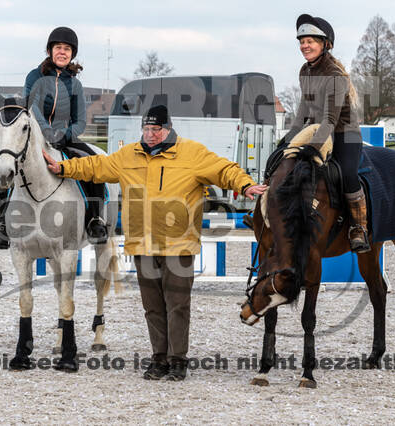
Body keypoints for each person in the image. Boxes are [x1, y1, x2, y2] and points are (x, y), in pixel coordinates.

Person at [43, 105, 267, 381]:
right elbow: (96, 167)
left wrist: (245, 185)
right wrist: (62, 167)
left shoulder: (192, 153)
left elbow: (224, 169)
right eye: (146, 129)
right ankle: (159, 359)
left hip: (179, 245)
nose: (150, 134)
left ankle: (178, 360)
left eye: (156, 129)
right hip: (142, 245)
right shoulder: (129, 155)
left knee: (177, 305)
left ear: (168, 128)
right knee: (152, 307)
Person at [0, 26, 108, 249]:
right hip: (35, 137)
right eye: (58, 48)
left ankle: (94, 219)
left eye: (66, 49)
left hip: (66, 138)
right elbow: (31, 108)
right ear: (50, 50)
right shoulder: (34, 76)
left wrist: (64, 135)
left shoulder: (75, 84)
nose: (62, 52)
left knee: (94, 164)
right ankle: (4, 225)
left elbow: (80, 120)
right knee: (0, 171)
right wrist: (47, 134)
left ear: (72, 53)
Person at [281, 14, 370, 253]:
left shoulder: (335, 76)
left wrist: (313, 147)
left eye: (310, 41)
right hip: (316, 130)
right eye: (301, 41)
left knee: (348, 174)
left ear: (325, 44)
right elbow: (303, 111)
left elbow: (330, 120)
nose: (304, 46)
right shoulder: (305, 71)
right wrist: (288, 140)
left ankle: (358, 228)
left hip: (343, 134)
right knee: (286, 162)